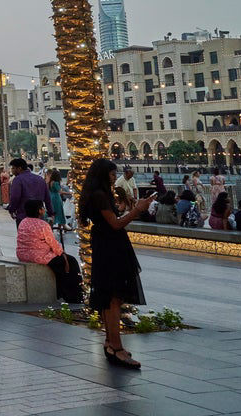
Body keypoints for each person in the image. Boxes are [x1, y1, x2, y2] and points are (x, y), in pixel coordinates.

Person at [80, 158, 153, 369]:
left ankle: (111, 343)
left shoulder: (97, 195)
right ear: (104, 175)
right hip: (111, 245)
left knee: (108, 296)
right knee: (113, 297)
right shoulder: (100, 195)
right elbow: (115, 224)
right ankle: (117, 347)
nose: (115, 178)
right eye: (112, 175)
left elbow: (109, 220)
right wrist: (137, 209)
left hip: (105, 243)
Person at [16, 199, 83, 302]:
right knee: (71, 261)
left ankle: (62, 292)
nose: (44, 210)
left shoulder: (23, 222)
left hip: (23, 254)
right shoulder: (43, 224)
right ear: (39, 210)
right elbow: (52, 243)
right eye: (43, 208)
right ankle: (74, 296)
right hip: (39, 255)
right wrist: (61, 252)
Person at [6, 158, 52, 226]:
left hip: (23, 216)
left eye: (13, 168)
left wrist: (11, 209)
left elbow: (15, 197)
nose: (11, 171)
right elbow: (47, 198)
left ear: (19, 168)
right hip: (39, 216)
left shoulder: (18, 180)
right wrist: (51, 213)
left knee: (25, 235)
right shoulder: (40, 179)